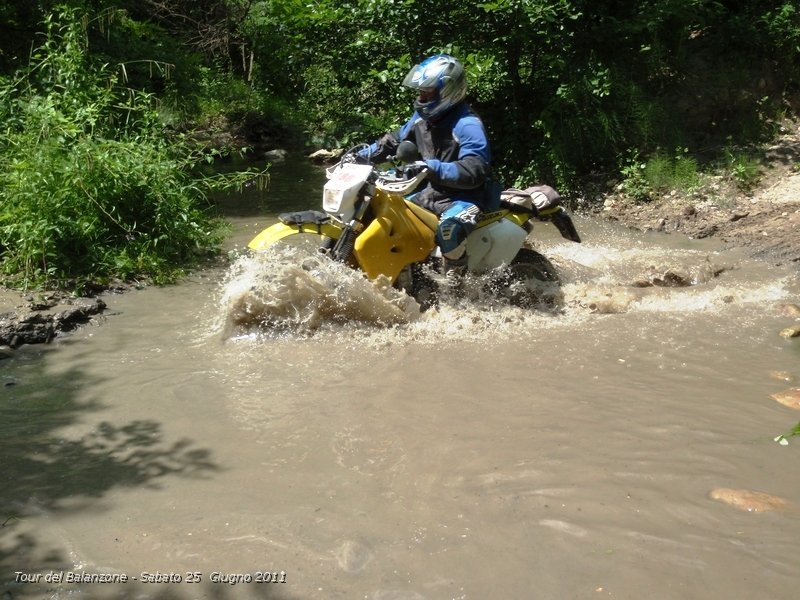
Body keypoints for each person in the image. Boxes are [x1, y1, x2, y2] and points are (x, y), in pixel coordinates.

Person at [361, 54, 495, 286]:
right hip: (428, 193)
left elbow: (475, 169)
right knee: (385, 212)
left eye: (428, 91)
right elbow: (393, 141)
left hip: (464, 198)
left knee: (448, 232)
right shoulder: (421, 118)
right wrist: (362, 155)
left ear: (447, 91)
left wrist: (432, 167)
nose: (421, 96)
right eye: (420, 90)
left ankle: (458, 290)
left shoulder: (467, 124)